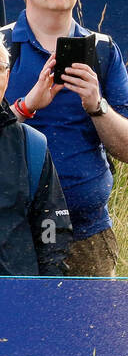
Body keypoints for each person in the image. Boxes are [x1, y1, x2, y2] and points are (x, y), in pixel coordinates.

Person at [3, 0, 128, 277]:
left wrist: (96, 105)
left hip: (87, 236)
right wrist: (27, 106)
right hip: (10, 234)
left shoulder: (104, 50)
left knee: (93, 333)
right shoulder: (1, 47)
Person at [0, 42, 71, 275]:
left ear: (7, 76)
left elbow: (52, 233)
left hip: (16, 299)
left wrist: (48, 296)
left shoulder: (32, 145)